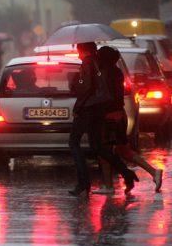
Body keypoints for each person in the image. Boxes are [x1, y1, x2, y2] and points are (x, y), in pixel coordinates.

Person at [68, 42, 138, 196]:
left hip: (87, 108)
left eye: (78, 51)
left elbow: (86, 87)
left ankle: (83, 183)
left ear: (83, 50)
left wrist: (77, 107)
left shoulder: (87, 63)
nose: (78, 55)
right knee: (98, 147)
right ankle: (127, 174)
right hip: (98, 109)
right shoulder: (98, 62)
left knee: (74, 142)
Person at [92, 46, 162, 194]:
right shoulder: (116, 72)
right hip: (119, 115)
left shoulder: (106, 74)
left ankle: (108, 185)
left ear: (103, 59)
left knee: (104, 151)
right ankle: (153, 172)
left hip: (110, 117)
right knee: (124, 151)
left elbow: (106, 96)